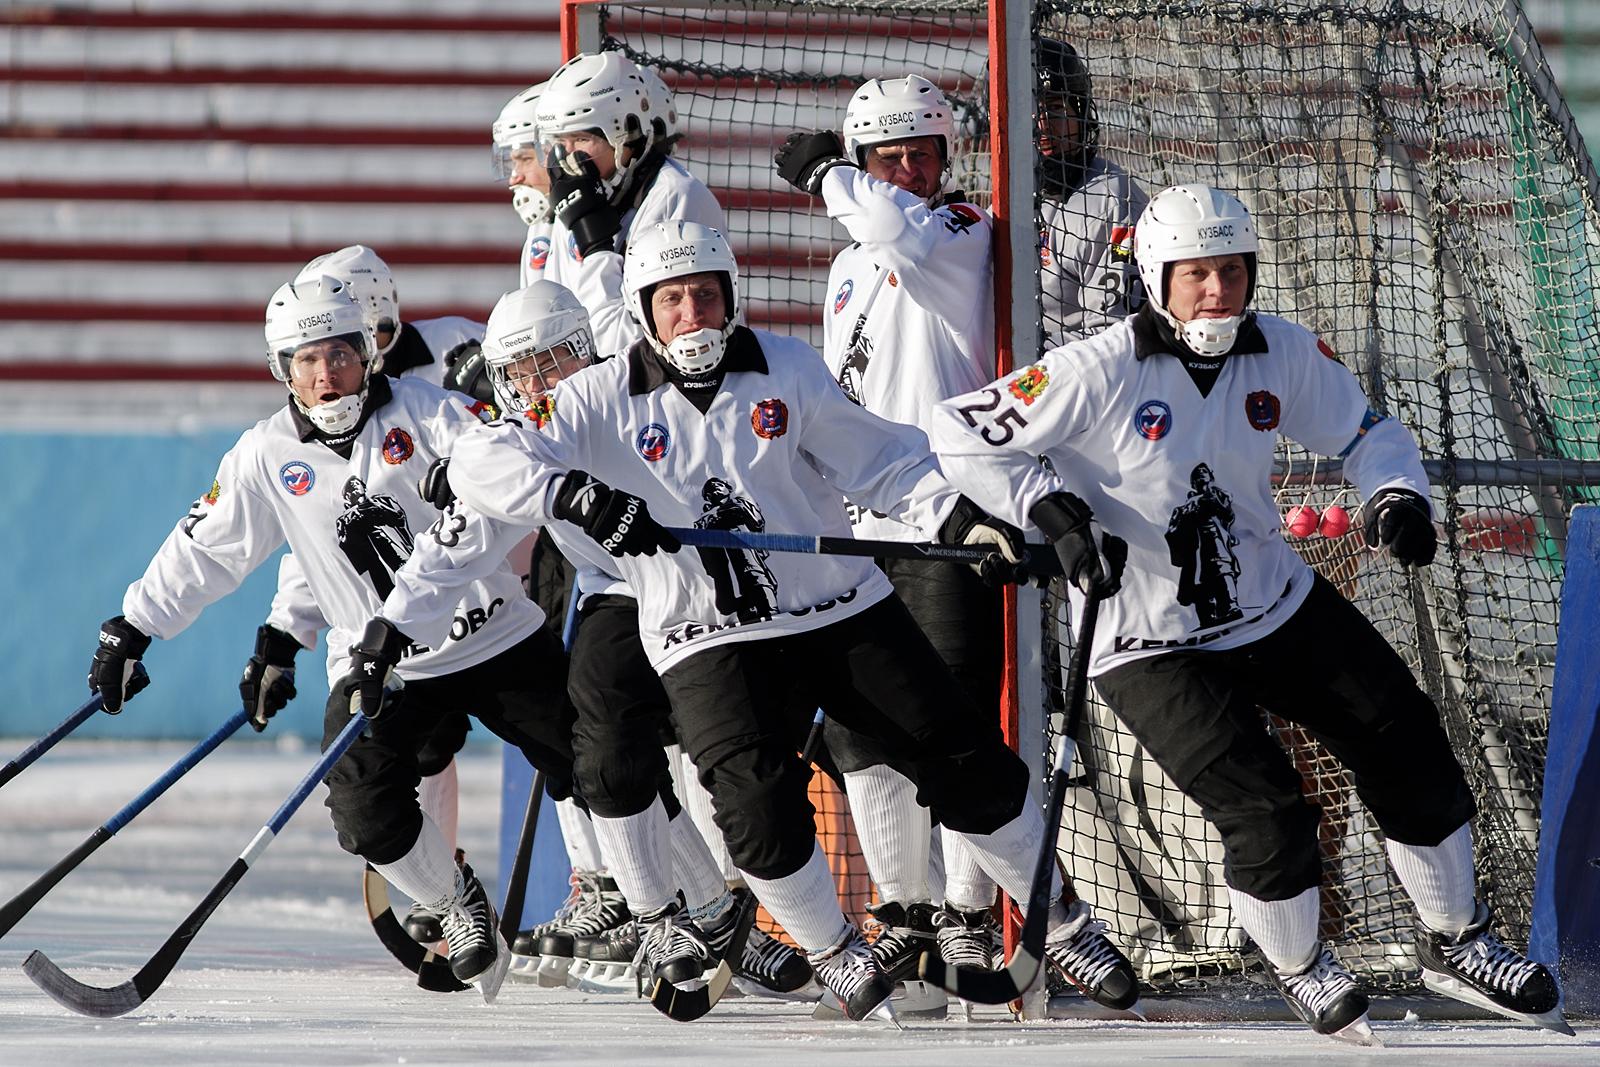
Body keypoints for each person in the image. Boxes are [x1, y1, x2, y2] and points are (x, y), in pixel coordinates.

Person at [356, 221, 1136, 1022]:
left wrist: (960, 520)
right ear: (642, 311)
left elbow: (888, 461)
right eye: (671, 300)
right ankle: (830, 950)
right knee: (749, 805)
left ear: (730, 296)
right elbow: (484, 463)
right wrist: (573, 497)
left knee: (961, 754)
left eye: (705, 294)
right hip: (702, 630)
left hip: (836, 605)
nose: (691, 313)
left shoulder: (788, 368)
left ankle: (1065, 921)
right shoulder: (592, 399)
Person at [925, 183, 1569, 1041]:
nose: (1219, 292)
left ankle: (1457, 938)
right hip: (1146, 638)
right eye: (1197, 275)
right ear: (1156, 277)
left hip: (1271, 600)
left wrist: (1394, 495)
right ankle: (1301, 965)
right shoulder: (1098, 367)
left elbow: (1371, 433)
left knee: (1400, 732)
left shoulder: (1282, 350)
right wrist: (1051, 511)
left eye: (1233, 271)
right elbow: (957, 428)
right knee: (1265, 808)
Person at [85, 276, 581, 1004]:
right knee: (362, 809)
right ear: (282, 369)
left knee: (602, 761)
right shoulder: (265, 454)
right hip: (381, 663)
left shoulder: (434, 412)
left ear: (368, 352)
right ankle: (454, 900)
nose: (326, 374)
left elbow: (509, 467)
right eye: (307, 360)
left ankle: (692, 907)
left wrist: (476, 473)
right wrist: (135, 627)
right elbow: (207, 550)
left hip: (491, 635)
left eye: (340, 354)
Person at [466, 280, 813, 1003]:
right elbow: (478, 486)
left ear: (585, 350)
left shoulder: (620, 395)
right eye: (520, 372)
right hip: (620, 595)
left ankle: (919, 915)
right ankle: (691, 916)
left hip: (714, 588)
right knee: (609, 750)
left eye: (552, 361)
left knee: (813, 747)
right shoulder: (530, 429)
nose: (539, 384)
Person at [773, 75, 1029, 1009]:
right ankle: (904, 907)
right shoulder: (849, 265)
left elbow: (888, 226)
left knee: (955, 715)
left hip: (950, 515)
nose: (912, 171)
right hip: (863, 524)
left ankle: (966, 909)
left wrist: (836, 177)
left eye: (923, 153)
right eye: (891, 158)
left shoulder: (959, 233)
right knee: (856, 724)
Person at [533, 49, 726, 358]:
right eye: (558, 142)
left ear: (627, 134)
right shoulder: (578, 198)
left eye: (581, 139)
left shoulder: (675, 197)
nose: (567, 158)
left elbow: (620, 344)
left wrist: (596, 247)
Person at [1034, 38, 1149, 344]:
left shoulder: (1113, 203)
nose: (1044, 126)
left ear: (1081, 112)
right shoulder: (1011, 194)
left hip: (1075, 381)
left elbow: (1115, 336)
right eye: (1029, 111)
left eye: (1056, 108)